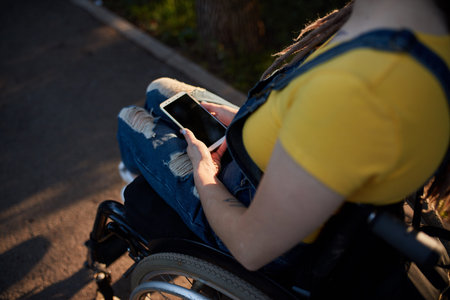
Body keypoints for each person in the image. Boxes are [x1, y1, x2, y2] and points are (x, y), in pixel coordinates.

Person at [117, 0, 449, 272]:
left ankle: (142, 181)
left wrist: (204, 175)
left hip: (254, 223)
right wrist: (253, 123)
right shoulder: (406, 31)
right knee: (161, 90)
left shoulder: (359, 92)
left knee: (128, 122)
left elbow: (250, 247)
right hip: (274, 174)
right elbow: (335, 140)